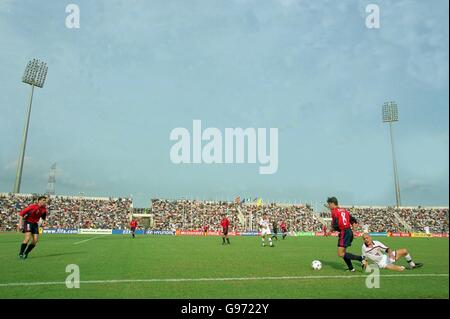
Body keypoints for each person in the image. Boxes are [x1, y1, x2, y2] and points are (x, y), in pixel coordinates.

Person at [327, 197, 367, 272]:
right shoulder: (345, 211)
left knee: (340, 253)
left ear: (332, 203)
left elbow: (335, 225)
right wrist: (354, 232)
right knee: (343, 253)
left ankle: (361, 258)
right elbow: (354, 222)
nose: (328, 206)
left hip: (344, 232)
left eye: (329, 204)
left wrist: (330, 231)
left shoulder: (334, 212)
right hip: (349, 232)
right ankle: (351, 268)